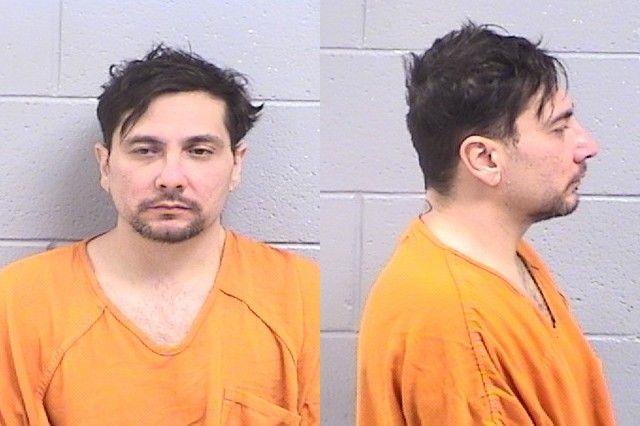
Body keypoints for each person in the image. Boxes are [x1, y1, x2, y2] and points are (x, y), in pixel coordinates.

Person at [0, 46, 319, 425]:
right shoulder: (21, 301)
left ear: (236, 164)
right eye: (145, 150)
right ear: (105, 165)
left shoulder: (301, 296)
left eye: (199, 151)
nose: (170, 178)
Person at [357, 23, 615, 425]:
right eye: (559, 128)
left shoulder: (505, 256)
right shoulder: (454, 325)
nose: (587, 146)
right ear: (485, 159)